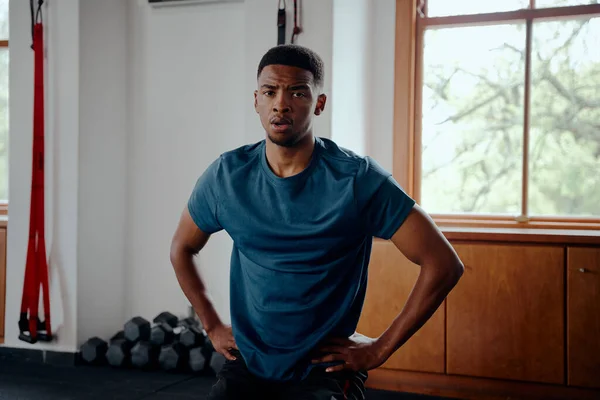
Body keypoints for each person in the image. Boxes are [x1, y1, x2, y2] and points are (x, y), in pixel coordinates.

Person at [170, 44, 464, 400]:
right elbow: (182, 248)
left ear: (318, 103)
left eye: (297, 92)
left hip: (323, 369)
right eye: (270, 92)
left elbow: (444, 263)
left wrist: (379, 349)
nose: (281, 103)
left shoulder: (358, 180)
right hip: (250, 361)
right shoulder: (226, 177)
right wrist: (213, 325)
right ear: (256, 101)